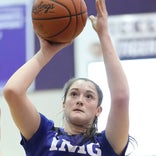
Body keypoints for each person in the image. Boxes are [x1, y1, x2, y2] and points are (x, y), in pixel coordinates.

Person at [3, 0, 131, 155]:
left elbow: (121, 98)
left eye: (89, 96)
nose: (80, 100)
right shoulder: (43, 134)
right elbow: (12, 92)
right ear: (63, 103)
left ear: (98, 110)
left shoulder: (106, 144)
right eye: (74, 93)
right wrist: (46, 52)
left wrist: (104, 35)